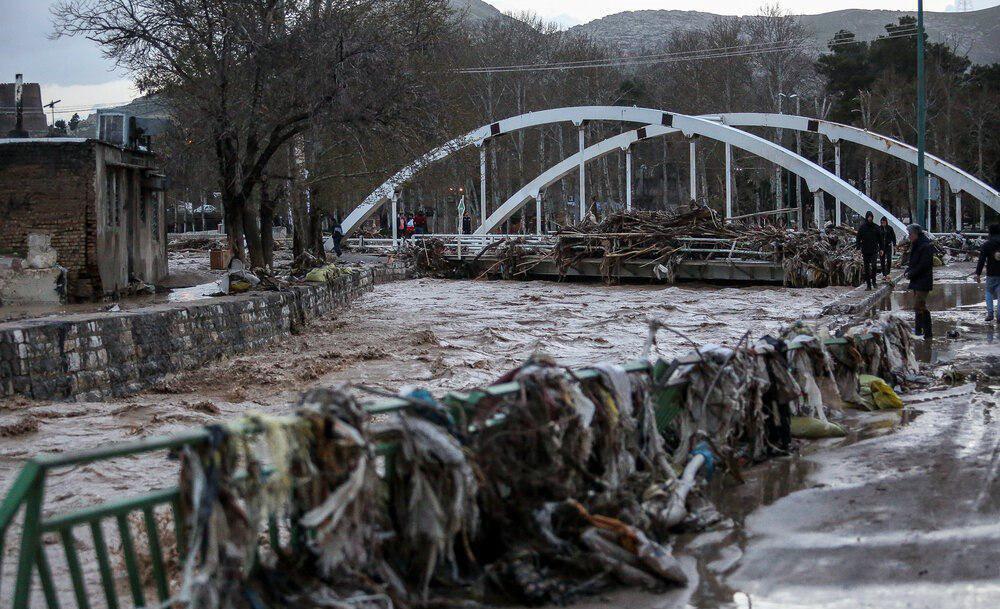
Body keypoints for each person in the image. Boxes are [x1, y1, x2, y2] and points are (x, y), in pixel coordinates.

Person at [905, 224, 934, 339]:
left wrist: (911, 273)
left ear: (916, 234)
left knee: (919, 305)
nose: (909, 237)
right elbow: (913, 261)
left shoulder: (925, 246)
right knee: (919, 306)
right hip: (918, 279)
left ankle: (927, 332)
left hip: (923, 280)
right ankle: (919, 330)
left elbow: (923, 265)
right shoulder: (917, 244)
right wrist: (908, 270)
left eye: (910, 234)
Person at [974, 223, 1000, 323]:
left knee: (989, 292)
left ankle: (990, 313)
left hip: (991, 273)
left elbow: (981, 260)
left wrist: (978, 273)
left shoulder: (987, 244)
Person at [856, 211, 881, 290]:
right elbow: (858, 238)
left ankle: (874, 281)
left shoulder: (876, 227)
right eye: (868, 217)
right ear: (866, 217)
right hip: (865, 250)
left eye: (871, 217)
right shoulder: (862, 227)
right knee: (866, 268)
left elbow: (880, 239)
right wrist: (858, 248)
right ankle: (868, 285)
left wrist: (882, 248)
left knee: (874, 266)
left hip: (874, 250)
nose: (870, 218)